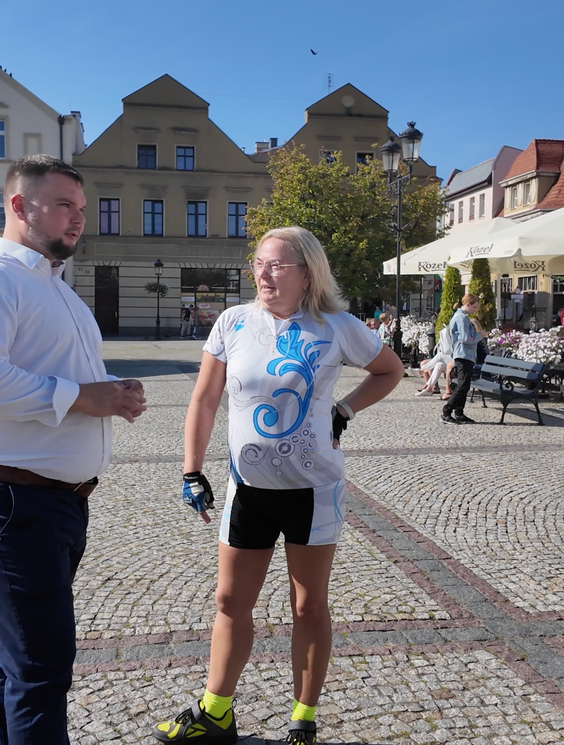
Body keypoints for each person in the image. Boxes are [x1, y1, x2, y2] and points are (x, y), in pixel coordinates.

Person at [152, 226, 402, 745]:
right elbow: (202, 399)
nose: (262, 274)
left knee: (308, 606)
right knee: (229, 601)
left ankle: (302, 719)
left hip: (314, 492)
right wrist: (191, 469)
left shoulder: (336, 326)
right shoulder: (233, 322)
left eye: (276, 265)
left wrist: (345, 408)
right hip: (248, 489)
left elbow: (389, 370)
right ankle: (216, 712)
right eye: (259, 264)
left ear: (307, 272)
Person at [0, 154, 147, 744]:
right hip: (6, 497)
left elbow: (69, 382)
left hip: (53, 502)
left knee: (21, 655)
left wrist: (113, 397)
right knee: (43, 665)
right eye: (62, 206)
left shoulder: (60, 292)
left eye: (81, 208)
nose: (77, 219)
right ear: (20, 206)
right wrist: (85, 398)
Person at [441, 293, 484, 424]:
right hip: (463, 354)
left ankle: (459, 412)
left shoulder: (461, 317)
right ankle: (447, 411)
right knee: (463, 385)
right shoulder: (461, 318)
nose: (475, 310)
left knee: (464, 385)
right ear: (467, 304)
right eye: (474, 307)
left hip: (465, 355)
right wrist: (479, 335)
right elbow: (466, 339)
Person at [417, 324, 454, 397]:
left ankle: (423, 370)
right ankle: (429, 389)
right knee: (439, 364)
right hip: (452, 359)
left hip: (459, 361)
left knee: (440, 356)